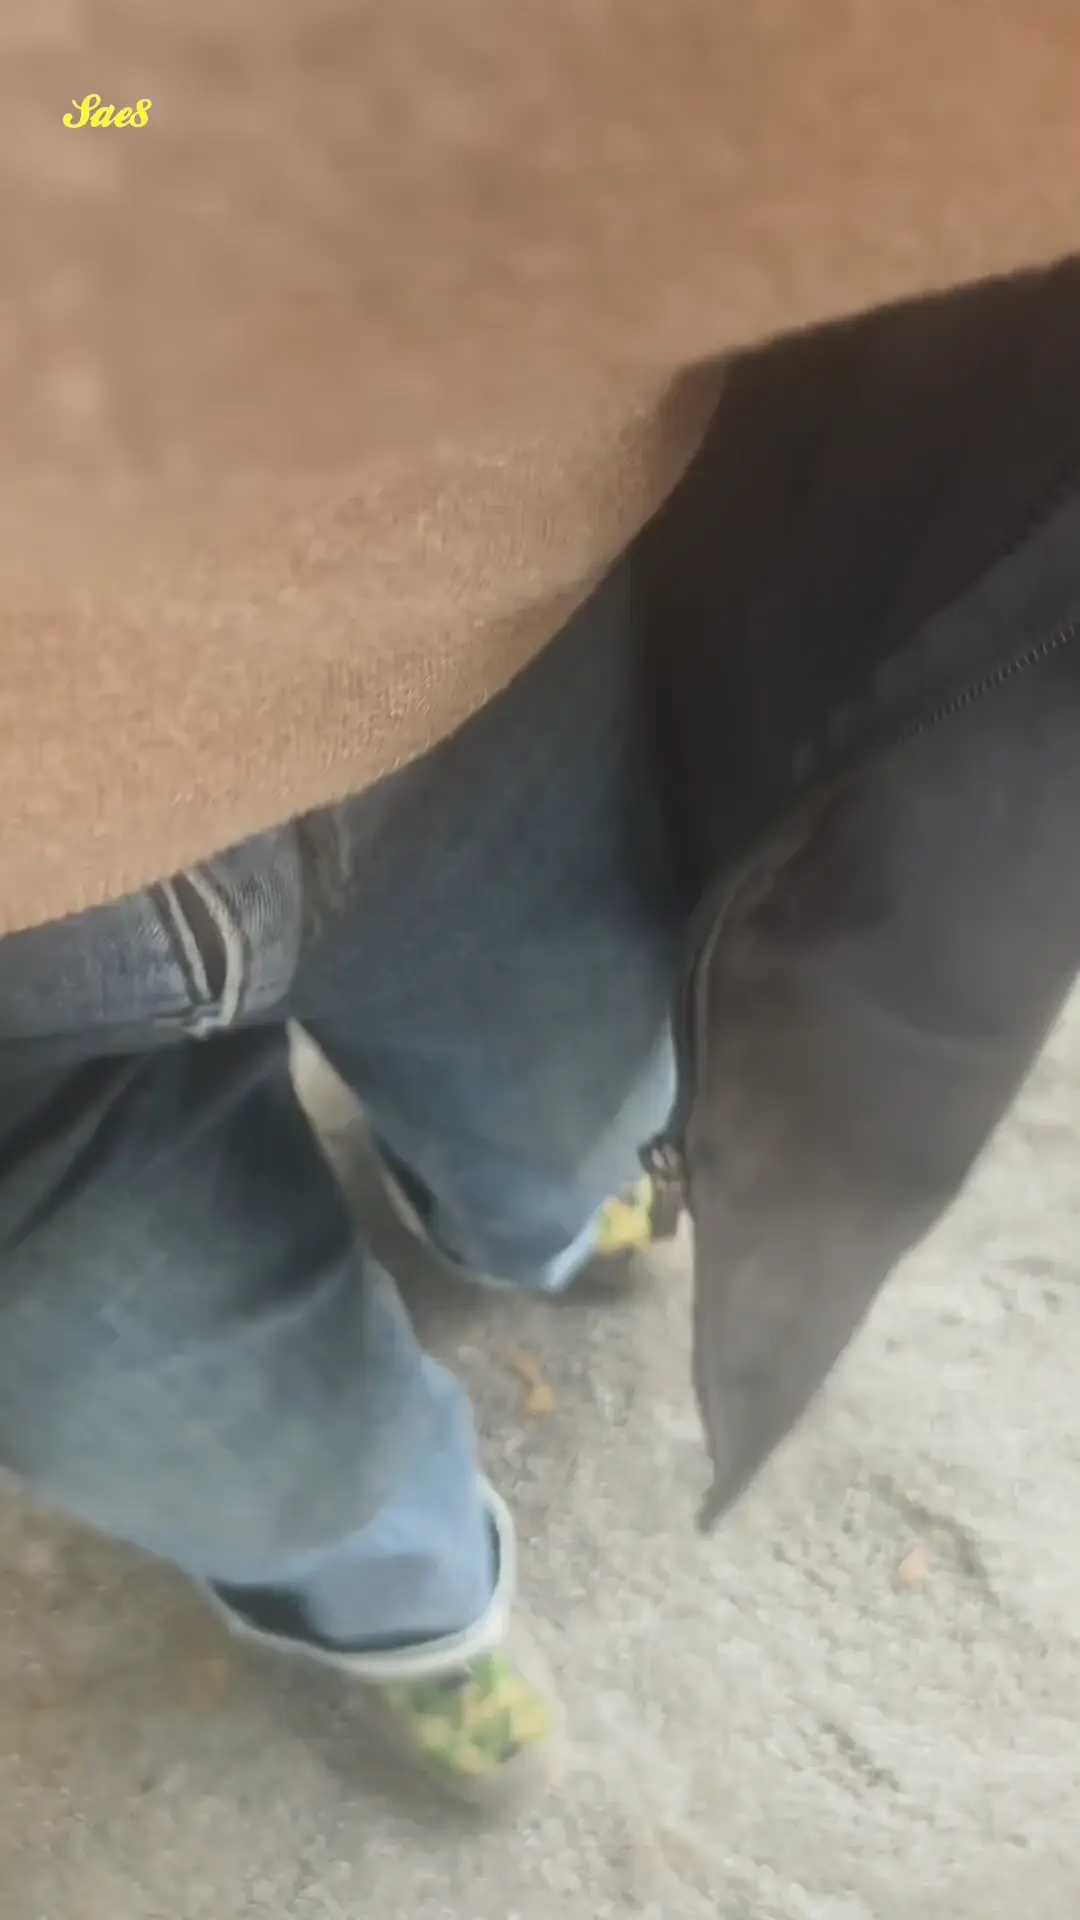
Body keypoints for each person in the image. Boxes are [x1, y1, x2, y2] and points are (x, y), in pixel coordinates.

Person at [3, 1, 1080, 1815]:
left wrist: (126, 98)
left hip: (489, 669)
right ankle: (398, 1598)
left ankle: (535, 1216)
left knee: (574, 1085)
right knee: (204, 1416)